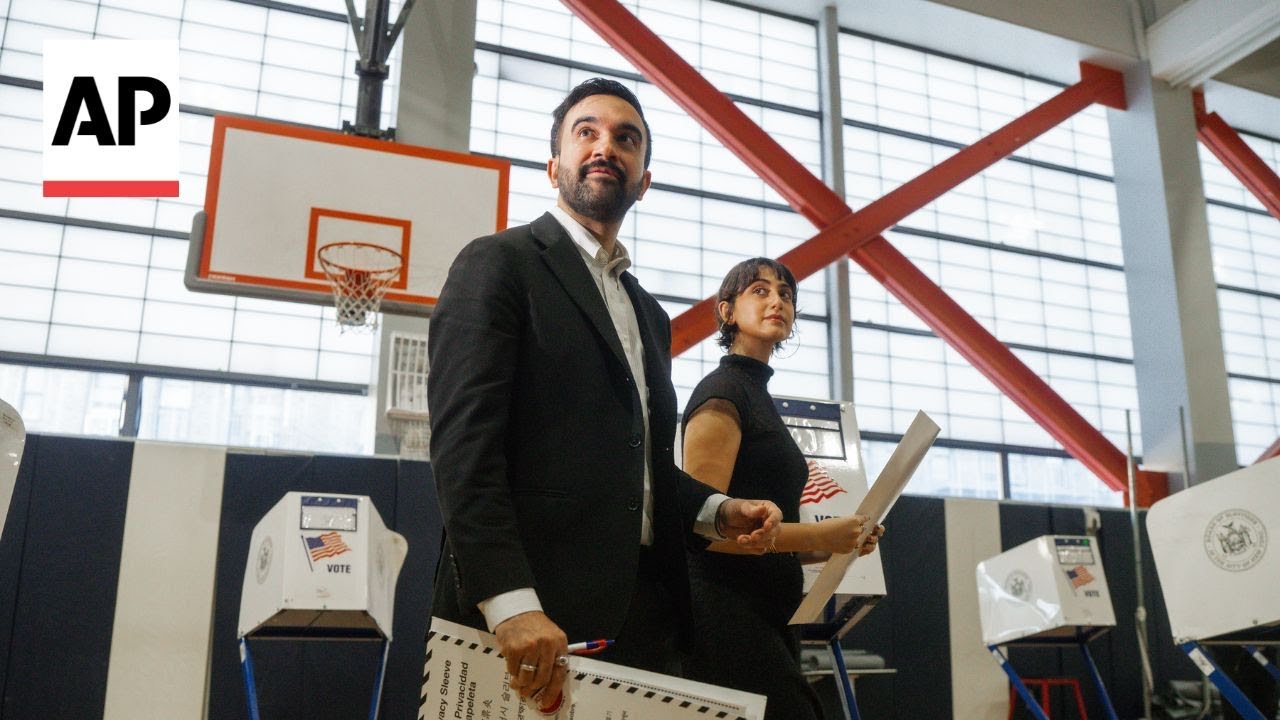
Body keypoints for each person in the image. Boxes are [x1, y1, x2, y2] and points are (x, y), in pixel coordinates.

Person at [426, 78, 783, 711]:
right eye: (585, 132)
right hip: (527, 619)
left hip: (640, 619)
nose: (604, 146)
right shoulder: (499, 264)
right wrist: (510, 603)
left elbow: (639, 468)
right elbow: (463, 451)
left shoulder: (649, 315)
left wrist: (715, 511)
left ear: (644, 179)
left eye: (626, 138)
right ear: (553, 164)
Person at [680, 257, 884, 720]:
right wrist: (818, 536)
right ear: (727, 311)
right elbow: (702, 531)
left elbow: (766, 540)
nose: (777, 300)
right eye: (759, 290)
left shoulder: (757, 398)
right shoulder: (723, 392)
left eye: (786, 294)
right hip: (726, 616)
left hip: (772, 615)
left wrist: (840, 543)